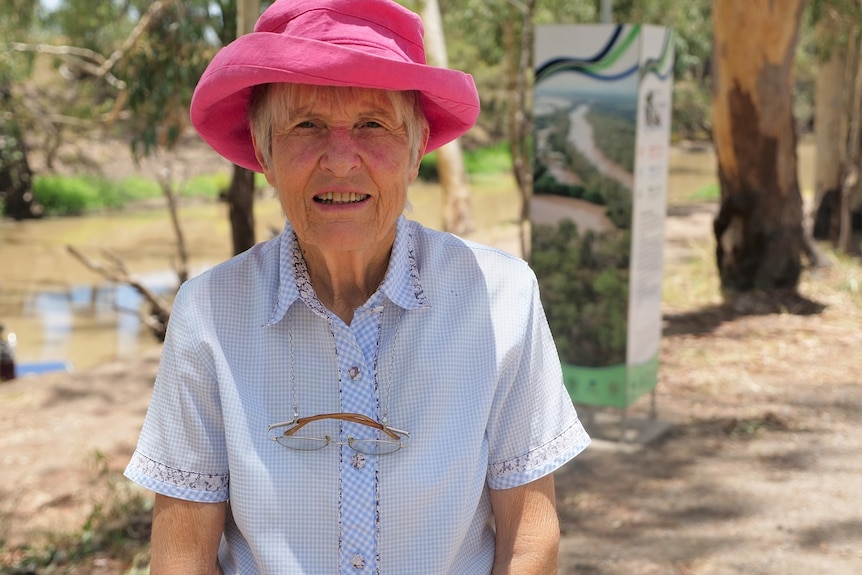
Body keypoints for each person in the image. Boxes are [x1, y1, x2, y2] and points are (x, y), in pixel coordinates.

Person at [124, 0, 590, 573]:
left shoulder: (500, 298)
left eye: (373, 124)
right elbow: (182, 560)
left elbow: (529, 538)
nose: (341, 161)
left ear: (417, 149)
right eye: (306, 125)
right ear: (264, 153)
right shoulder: (210, 313)